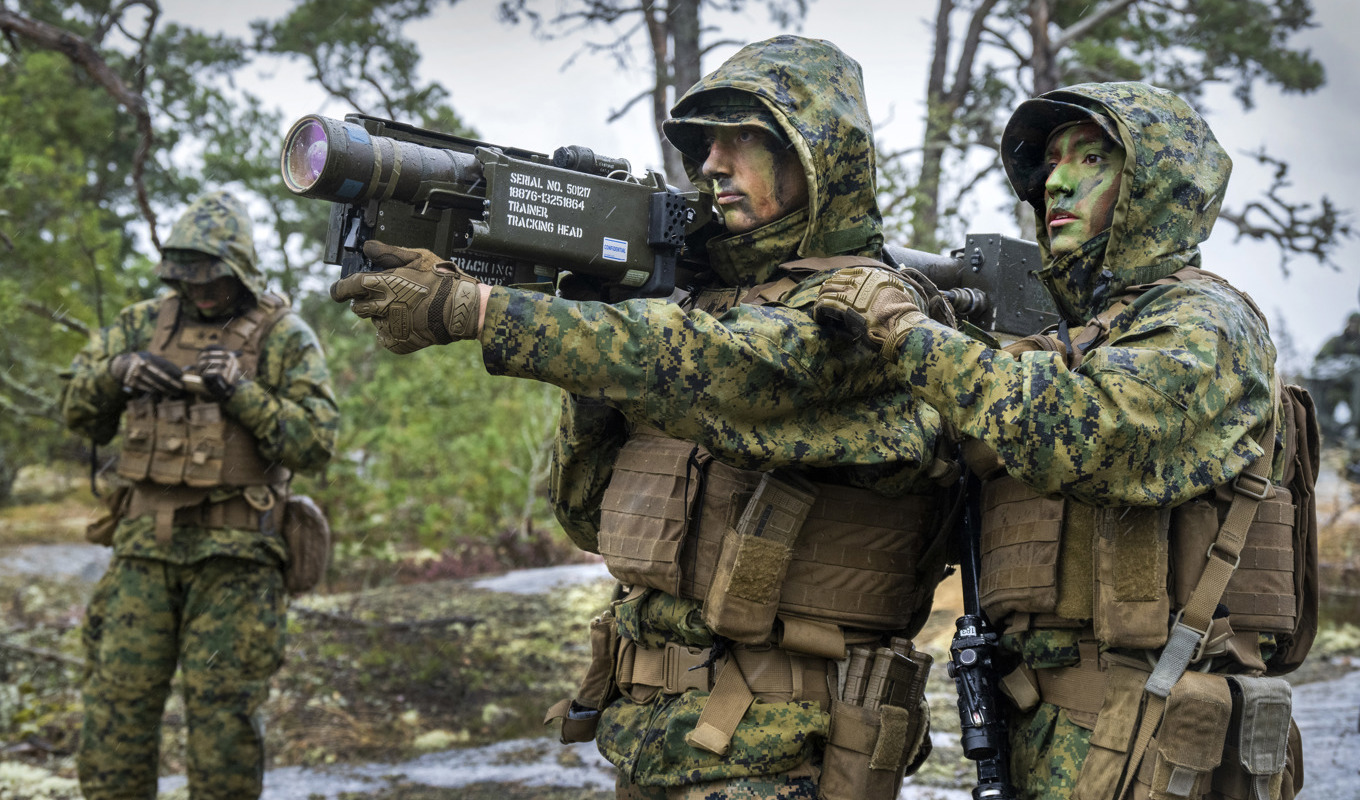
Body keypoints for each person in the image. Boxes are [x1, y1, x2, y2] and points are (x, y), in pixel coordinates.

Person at [332, 35, 951, 800]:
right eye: (704, 144)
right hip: (652, 738)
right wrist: (593, 362)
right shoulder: (690, 312)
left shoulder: (868, 313)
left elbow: (724, 368)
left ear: (816, 156)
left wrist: (480, 310)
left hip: (787, 751)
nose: (713, 164)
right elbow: (595, 520)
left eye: (744, 140)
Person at [813, 82, 1310, 799]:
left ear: (1154, 185)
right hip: (1047, 721)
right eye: (1050, 161)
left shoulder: (1206, 321)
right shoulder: (1078, 340)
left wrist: (906, 333)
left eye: (1093, 158)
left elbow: (1090, 431)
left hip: (1156, 733)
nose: (1058, 180)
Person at [61, 190, 339, 799]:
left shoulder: (283, 335)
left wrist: (241, 392)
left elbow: (316, 442)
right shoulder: (139, 324)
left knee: (224, 723)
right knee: (115, 712)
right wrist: (117, 374)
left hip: (237, 562)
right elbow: (77, 412)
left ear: (241, 272)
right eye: (191, 281)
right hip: (143, 552)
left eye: (215, 281)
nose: (204, 293)